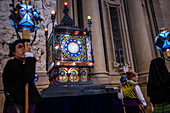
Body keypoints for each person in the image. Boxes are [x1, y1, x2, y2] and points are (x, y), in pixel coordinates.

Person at [2, 40, 41, 113]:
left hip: (28, 105)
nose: (24, 49)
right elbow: (27, 77)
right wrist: (28, 55)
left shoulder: (25, 64)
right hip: (18, 106)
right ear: (13, 52)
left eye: (24, 47)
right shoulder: (11, 64)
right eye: (20, 47)